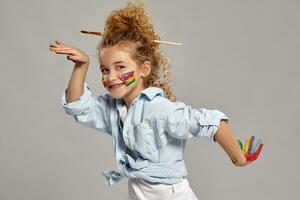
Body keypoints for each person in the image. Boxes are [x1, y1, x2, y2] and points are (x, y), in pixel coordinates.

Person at [50, 1, 263, 199]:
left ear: (144, 69)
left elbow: (211, 123)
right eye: (105, 70)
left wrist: (239, 158)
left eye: (120, 67)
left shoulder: (159, 110)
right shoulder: (115, 110)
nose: (111, 77)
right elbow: (78, 106)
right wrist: (81, 66)